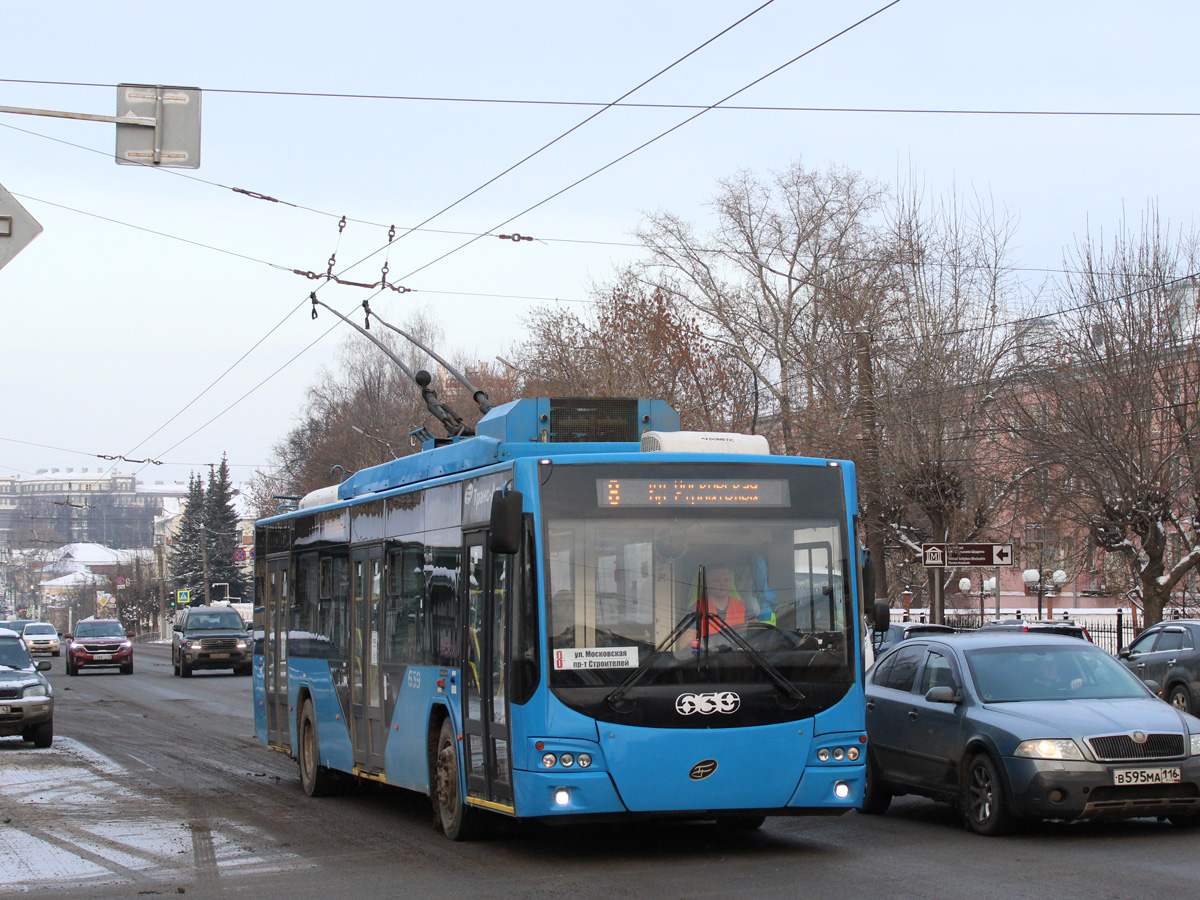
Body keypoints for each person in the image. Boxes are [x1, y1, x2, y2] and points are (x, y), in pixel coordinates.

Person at [688, 565, 745, 642]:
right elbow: (684, 645)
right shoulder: (696, 609)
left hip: (740, 654)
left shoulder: (743, 607)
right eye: (717, 580)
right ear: (707, 585)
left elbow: (757, 637)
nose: (722, 583)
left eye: (726, 580)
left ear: (731, 583)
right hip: (708, 654)